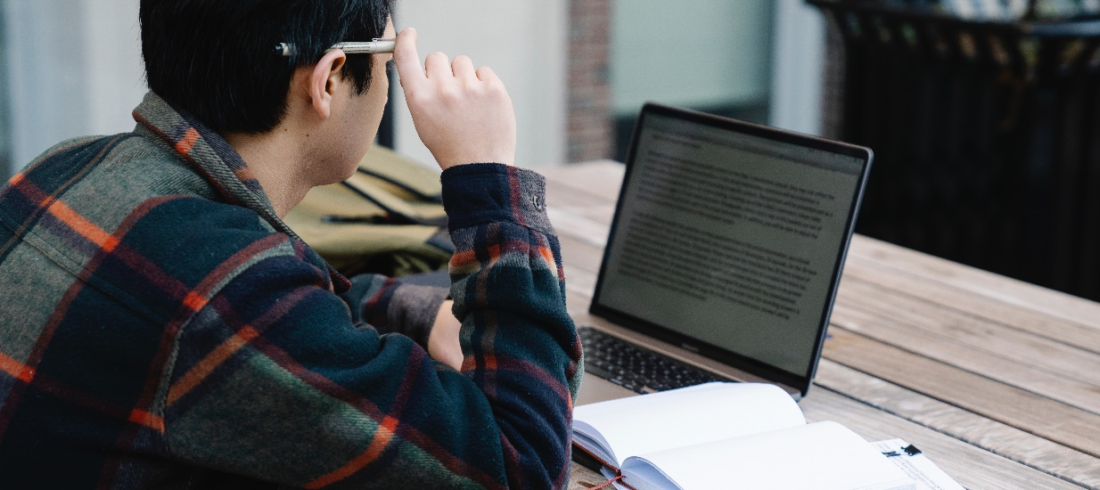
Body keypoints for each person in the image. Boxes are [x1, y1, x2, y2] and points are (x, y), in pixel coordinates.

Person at [0, 0, 581, 488]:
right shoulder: (229, 288)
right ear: (329, 80)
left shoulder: (65, 166)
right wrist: (486, 175)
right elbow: (519, 462)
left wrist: (416, 313)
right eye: (387, 58)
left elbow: (265, 313)